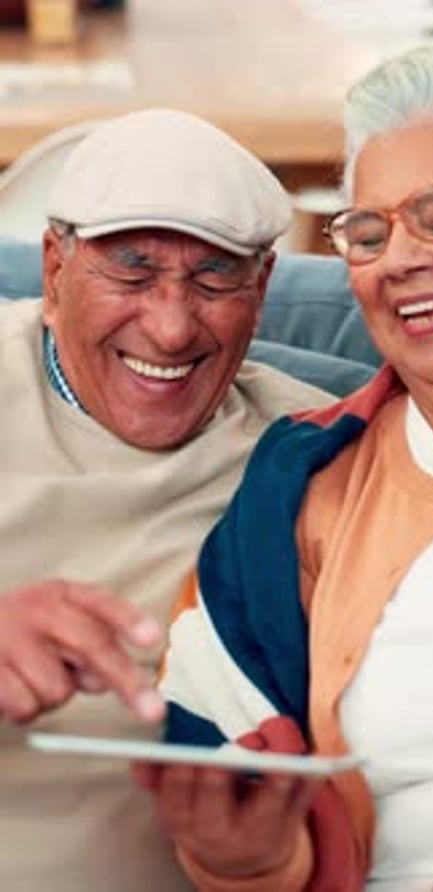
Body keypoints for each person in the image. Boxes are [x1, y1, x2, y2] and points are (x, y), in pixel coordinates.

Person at [138, 42, 433, 891]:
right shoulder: (299, 487)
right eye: (368, 233)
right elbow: (223, 769)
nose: (400, 259)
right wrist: (252, 858)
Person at [0, 108, 333, 891]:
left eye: (216, 276)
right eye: (132, 271)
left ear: (264, 289)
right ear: (54, 270)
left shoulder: (317, 452)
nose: (172, 326)